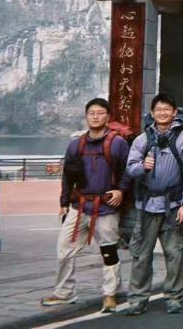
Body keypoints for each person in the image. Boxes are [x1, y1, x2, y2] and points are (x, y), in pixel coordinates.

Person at [41, 97, 131, 313]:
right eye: (92, 113)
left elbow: (129, 171)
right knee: (64, 249)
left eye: (100, 113)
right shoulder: (76, 144)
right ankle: (64, 292)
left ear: (108, 117)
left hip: (106, 207)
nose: (95, 117)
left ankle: (110, 294)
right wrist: (64, 202)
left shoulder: (118, 143)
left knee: (108, 251)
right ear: (86, 116)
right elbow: (68, 175)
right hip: (79, 206)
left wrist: (120, 191)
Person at [125, 93, 183, 315]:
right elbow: (130, 167)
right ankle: (137, 299)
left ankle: (174, 297)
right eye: (158, 109)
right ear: (152, 112)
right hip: (146, 205)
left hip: (173, 205)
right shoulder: (142, 139)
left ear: (174, 112)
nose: (163, 113)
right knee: (141, 254)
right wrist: (142, 167)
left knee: (174, 253)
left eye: (167, 109)